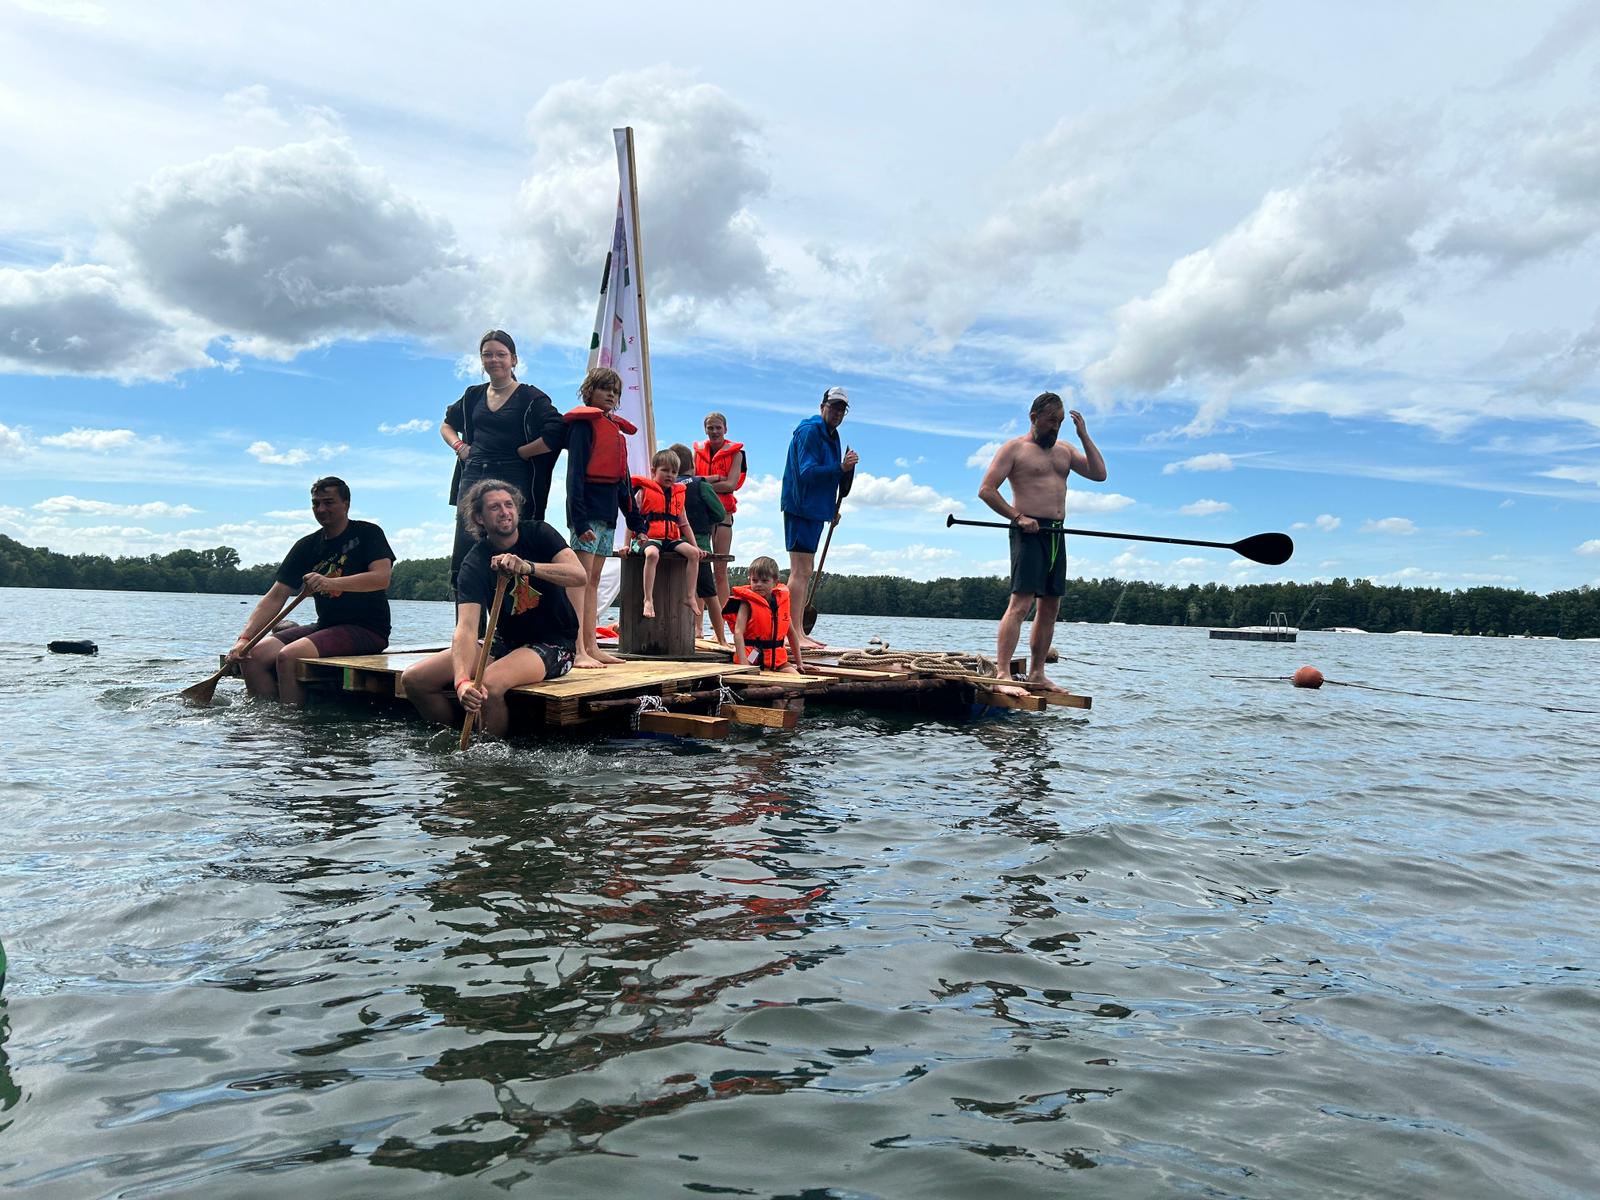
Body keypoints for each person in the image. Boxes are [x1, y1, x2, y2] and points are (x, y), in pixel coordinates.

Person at [401, 480, 587, 739]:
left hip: (554, 644)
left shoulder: (540, 534)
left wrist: (529, 567)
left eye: (509, 505)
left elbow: (579, 575)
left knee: (489, 683)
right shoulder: (475, 562)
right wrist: (462, 681)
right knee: (415, 679)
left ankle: (491, 757)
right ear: (479, 517)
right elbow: (466, 628)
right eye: (494, 507)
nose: (505, 512)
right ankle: (452, 737)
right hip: (504, 643)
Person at [977, 392, 1107, 695]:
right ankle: (1003, 674)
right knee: (1021, 604)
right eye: (1051, 421)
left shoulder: (1065, 449)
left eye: (1060, 422)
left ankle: (1037, 673)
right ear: (1034, 417)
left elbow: (1099, 474)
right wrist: (1018, 516)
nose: (1055, 427)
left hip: (1056, 533)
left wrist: (1083, 434)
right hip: (1028, 530)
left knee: (1050, 606)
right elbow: (986, 490)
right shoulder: (1014, 449)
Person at [229, 476, 395, 706]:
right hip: (326, 625)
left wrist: (331, 583)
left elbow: (381, 578)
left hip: (367, 629)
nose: (321, 509)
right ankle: (263, 722)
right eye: (316, 503)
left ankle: (291, 723)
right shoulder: (307, 545)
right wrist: (243, 639)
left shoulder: (368, 533)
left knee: (289, 656)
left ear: (346, 503)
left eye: (328, 502)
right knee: (253, 654)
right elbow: (276, 595)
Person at [441, 329, 564, 592]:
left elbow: (557, 431)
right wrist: (460, 446)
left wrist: (523, 452)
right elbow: (447, 425)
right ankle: (470, 628)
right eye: (488, 355)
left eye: (501, 354)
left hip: (513, 477)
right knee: (467, 546)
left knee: (512, 544)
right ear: (482, 360)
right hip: (474, 474)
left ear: (514, 360)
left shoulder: (531, 397)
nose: (494, 360)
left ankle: (513, 628)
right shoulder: (473, 395)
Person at [563, 366, 646, 668]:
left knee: (593, 580)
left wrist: (636, 522)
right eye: (604, 389)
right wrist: (579, 520)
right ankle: (576, 648)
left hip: (608, 514)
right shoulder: (584, 426)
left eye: (615, 391)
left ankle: (591, 645)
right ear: (590, 392)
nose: (611, 395)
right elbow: (574, 477)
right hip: (586, 514)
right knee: (579, 578)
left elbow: (624, 483)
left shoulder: (615, 431)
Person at [780, 386, 858, 650]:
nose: (837, 412)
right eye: (833, 406)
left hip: (817, 509)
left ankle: (799, 630)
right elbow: (807, 473)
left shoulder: (832, 435)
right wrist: (841, 467)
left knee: (806, 570)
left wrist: (830, 508)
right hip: (801, 507)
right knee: (799, 571)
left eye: (841, 409)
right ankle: (793, 634)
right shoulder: (810, 431)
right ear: (822, 406)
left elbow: (831, 477)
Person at [627, 449, 706, 621]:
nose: (670, 475)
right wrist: (627, 544)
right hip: (648, 538)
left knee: (693, 554)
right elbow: (632, 519)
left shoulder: (678, 494)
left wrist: (695, 545)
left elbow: (684, 524)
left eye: (674, 472)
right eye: (665, 470)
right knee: (653, 554)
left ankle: (690, 596)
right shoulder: (644, 492)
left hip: (671, 538)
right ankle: (648, 599)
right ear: (654, 471)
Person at [669, 441, 730, 645]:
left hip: (671, 545)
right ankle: (721, 639)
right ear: (692, 465)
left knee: (672, 590)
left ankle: (674, 634)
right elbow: (720, 513)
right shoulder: (701, 485)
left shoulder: (666, 486)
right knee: (708, 592)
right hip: (699, 546)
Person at [694, 412, 745, 623]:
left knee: (721, 570)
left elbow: (731, 484)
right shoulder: (697, 452)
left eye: (718, 427)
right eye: (710, 428)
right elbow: (691, 480)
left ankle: (726, 624)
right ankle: (696, 626)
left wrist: (702, 484)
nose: (714, 431)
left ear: (725, 429)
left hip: (723, 514)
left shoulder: (737, 454)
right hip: (701, 515)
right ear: (705, 429)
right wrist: (714, 480)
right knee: (698, 567)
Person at [723, 555, 805, 674]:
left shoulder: (780, 603)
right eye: (754, 580)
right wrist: (743, 664)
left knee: (798, 680)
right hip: (752, 656)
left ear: (775, 582)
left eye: (765, 581)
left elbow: (791, 633)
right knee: (752, 685)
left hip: (777, 661)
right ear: (749, 580)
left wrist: (799, 663)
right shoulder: (746, 603)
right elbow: (738, 632)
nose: (759, 584)